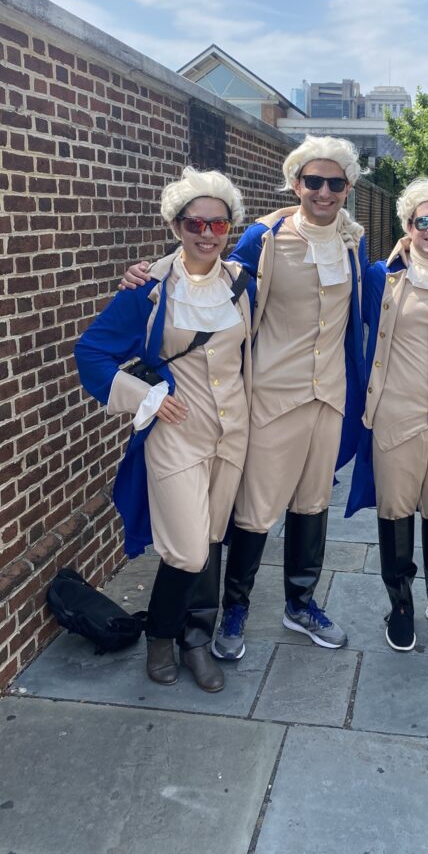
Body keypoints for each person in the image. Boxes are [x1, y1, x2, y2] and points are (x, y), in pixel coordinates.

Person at [121, 137, 366, 656]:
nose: (324, 192)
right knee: (255, 508)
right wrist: (149, 273)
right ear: (296, 183)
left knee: (313, 500)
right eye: (313, 181)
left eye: (335, 183)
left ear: (348, 189)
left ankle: (301, 604)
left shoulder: (352, 241)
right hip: (272, 394)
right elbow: (209, 272)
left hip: (331, 394)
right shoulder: (266, 236)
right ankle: (235, 609)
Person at [75, 168, 256, 692]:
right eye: (195, 222)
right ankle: (160, 636)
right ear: (176, 224)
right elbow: (91, 352)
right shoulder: (148, 287)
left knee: (212, 537)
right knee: (188, 549)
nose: (206, 233)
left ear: (229, 228)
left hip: (234, 433)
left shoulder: (243, 283)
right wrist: (146, 396)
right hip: (176, 435)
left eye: (218, 224)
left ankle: (194, 640)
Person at [346, 180, 428, 652]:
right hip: (395, 413)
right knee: (396, 510)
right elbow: (335, 249)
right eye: (423, 220)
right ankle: (400, 603)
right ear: (407, 225)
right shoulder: (383, 279)